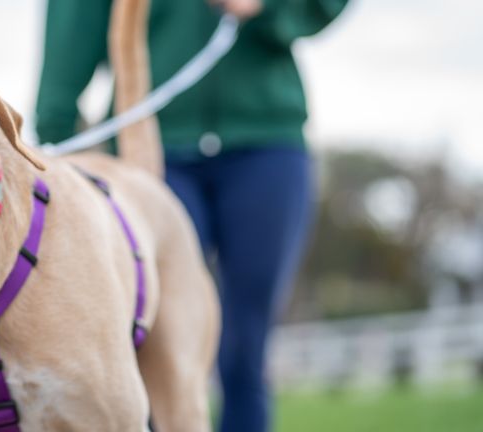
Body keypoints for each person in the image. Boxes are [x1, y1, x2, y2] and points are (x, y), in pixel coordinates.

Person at [35, 0, 349, 431]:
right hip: (148, 149)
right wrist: (57, 139)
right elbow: (74, 20)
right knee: (145, 340)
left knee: (246, 349)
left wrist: (268, 7)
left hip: (265, 144)